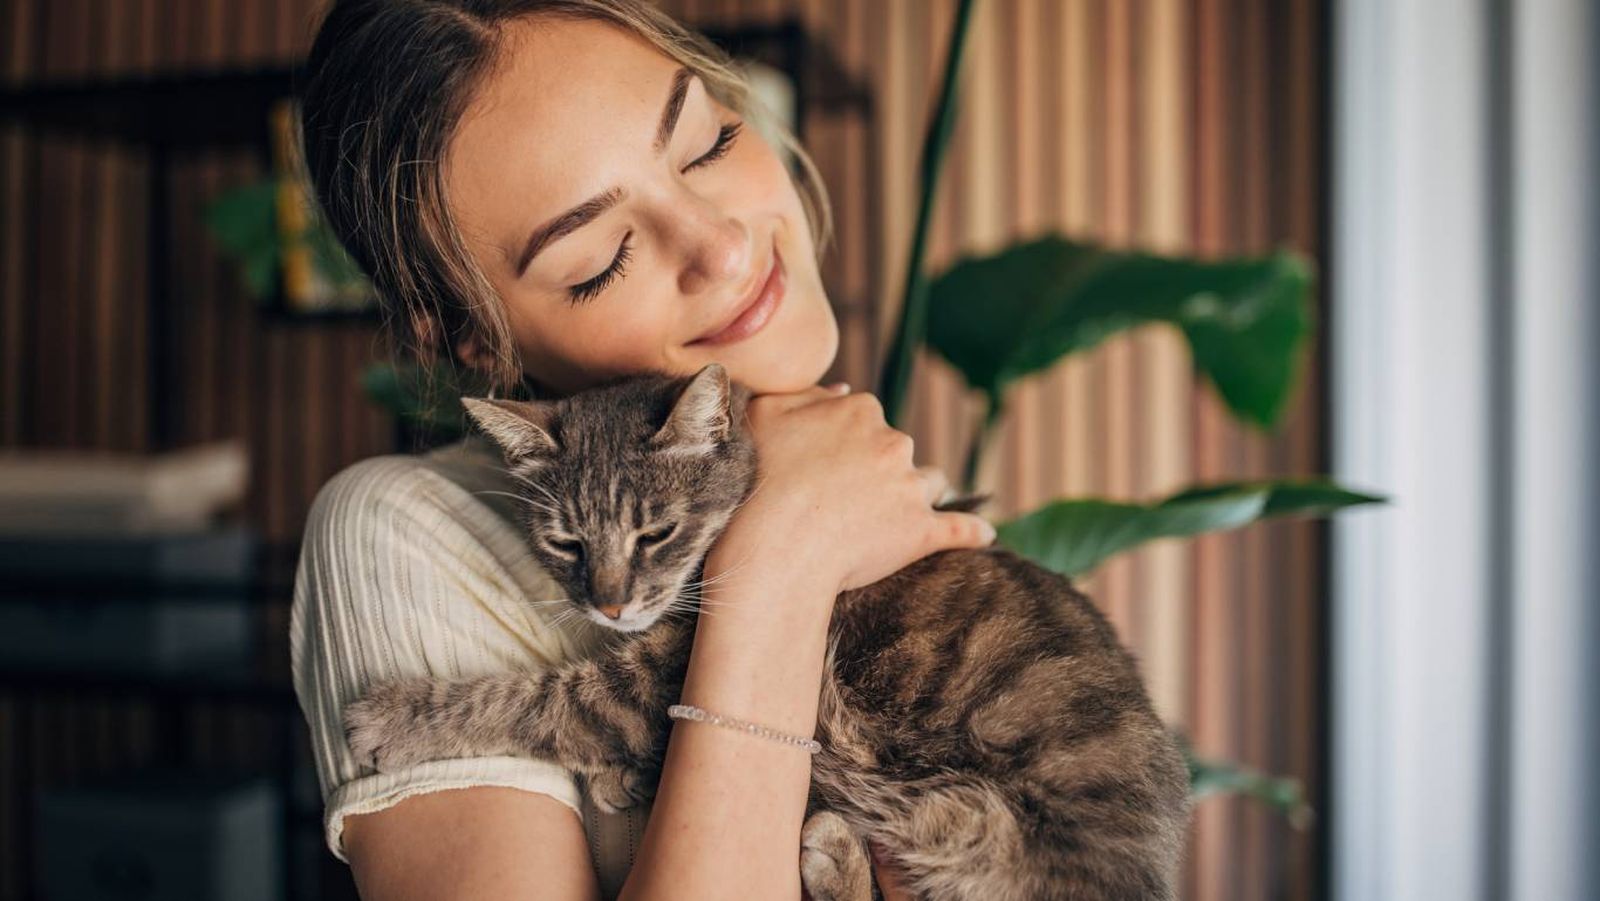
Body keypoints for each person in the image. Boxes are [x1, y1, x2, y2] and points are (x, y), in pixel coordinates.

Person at [288, 2, 996, 898]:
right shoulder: (401, 534)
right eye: (600, 260)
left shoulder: (878, 479)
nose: (726, 248)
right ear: (473, 336)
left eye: (705, 144)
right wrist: (782, 563)